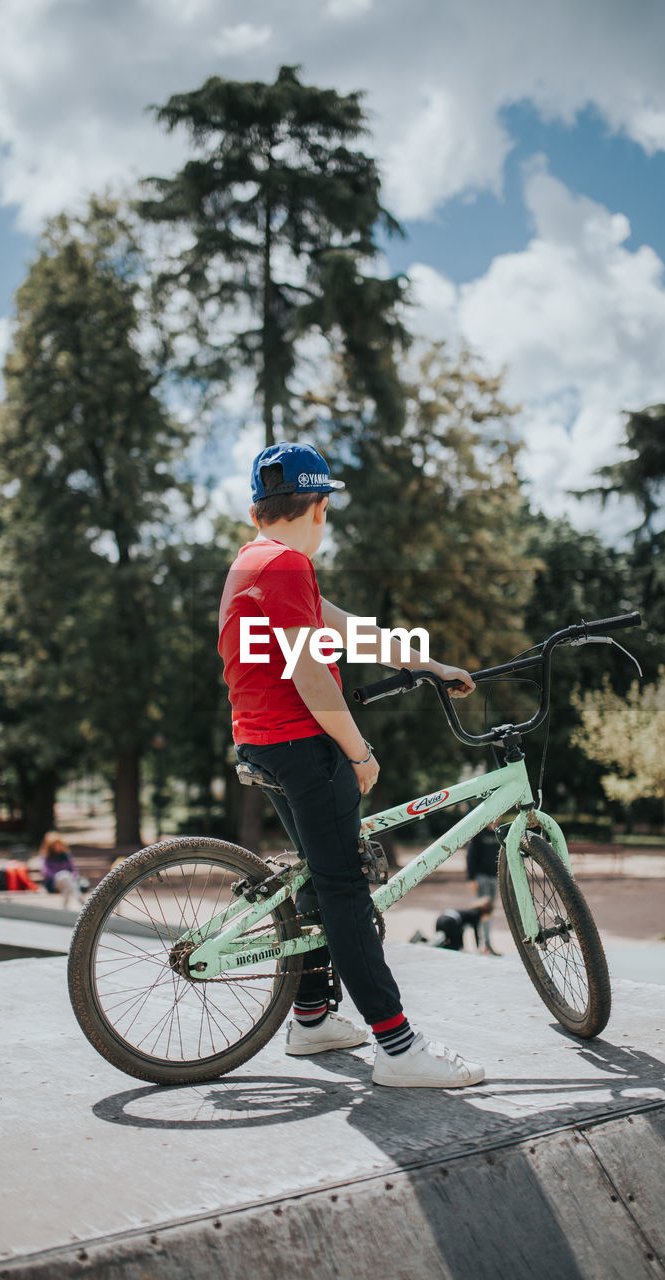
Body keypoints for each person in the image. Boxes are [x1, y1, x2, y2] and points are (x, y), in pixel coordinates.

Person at [218, 441, 485, 1089]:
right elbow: (310, 674)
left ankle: (311, 1018)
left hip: (262, 743)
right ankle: (397, 1048)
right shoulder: (286, 568)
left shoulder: (256, 563)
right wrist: (358, 751)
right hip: (301, 746)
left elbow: (348, 630)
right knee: (343, 891)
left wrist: (425, 663)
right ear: (319, 507)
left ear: (259, 510)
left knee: (317, 877)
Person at [466, 821, 501, 955]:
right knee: (482, 912)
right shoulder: (479, 833)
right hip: (482, 877)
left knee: (490, 912)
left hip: (495, 877)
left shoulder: (499, 832)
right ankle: (483, 945)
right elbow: (470, 856)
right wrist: (471, 879)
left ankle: (487, 944)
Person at [39, 831, 84, 909]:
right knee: (64, 876)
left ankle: (64, 907)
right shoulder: (47, 856)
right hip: (53, 883)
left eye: (59, 844)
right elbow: (45, 872)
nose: (58, 846)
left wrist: (73, 876)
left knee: (66, 881)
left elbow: (73, 870)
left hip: (67, 881)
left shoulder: (65, 855)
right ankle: (79, 898)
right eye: (55, 845)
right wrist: (59, 874)